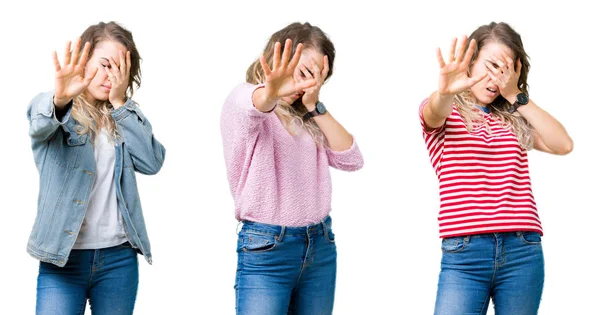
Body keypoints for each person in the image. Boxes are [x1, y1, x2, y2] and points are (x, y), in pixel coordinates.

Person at [419, 21, 573, 315]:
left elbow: (563, 144)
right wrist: (445, 91)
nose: (496, 78)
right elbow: (433, 113)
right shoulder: (447, 110)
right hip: (464, 255)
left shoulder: (514, 119)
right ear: (470, 61)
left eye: (506, 71)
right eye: (490, 65)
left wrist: (516, 96)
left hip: (522, 250)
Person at [220, 22, 364, 315]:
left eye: (313, 76)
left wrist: (315, 105)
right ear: (275, 59)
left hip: (320, 246)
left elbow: (352, 159)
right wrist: (272, 92)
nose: (302, 83)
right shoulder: (244, 99)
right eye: (300, 70)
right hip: (266, 249)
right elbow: (255, 104)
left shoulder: (308, 118)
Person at [26, 21, 165, 315]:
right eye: (104, 65)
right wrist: (61, 98)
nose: (110, 76)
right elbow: (39, 124)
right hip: (63, 260)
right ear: (84, 62)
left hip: (118, 260)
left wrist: (119, 103)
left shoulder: (125, 118)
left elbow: (152, 162)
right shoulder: (55, 109)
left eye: (119, 68)